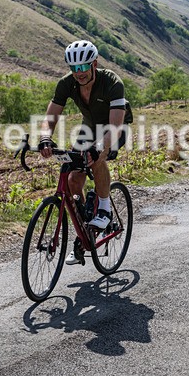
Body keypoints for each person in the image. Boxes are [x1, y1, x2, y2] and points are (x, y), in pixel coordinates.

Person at [38, 40, 133, 265]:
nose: (78, 73)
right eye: (74, 68)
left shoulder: (112, 82)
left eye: (83, 67)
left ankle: (104, 209)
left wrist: (100, 147)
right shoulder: (67, 84)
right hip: (89, 127)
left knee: (96, 158)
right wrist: (44, 138)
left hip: (114, 127)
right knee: (72, 179)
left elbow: (114, 126)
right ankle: (83, 232)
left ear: (94, 64)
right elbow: (50, 117)